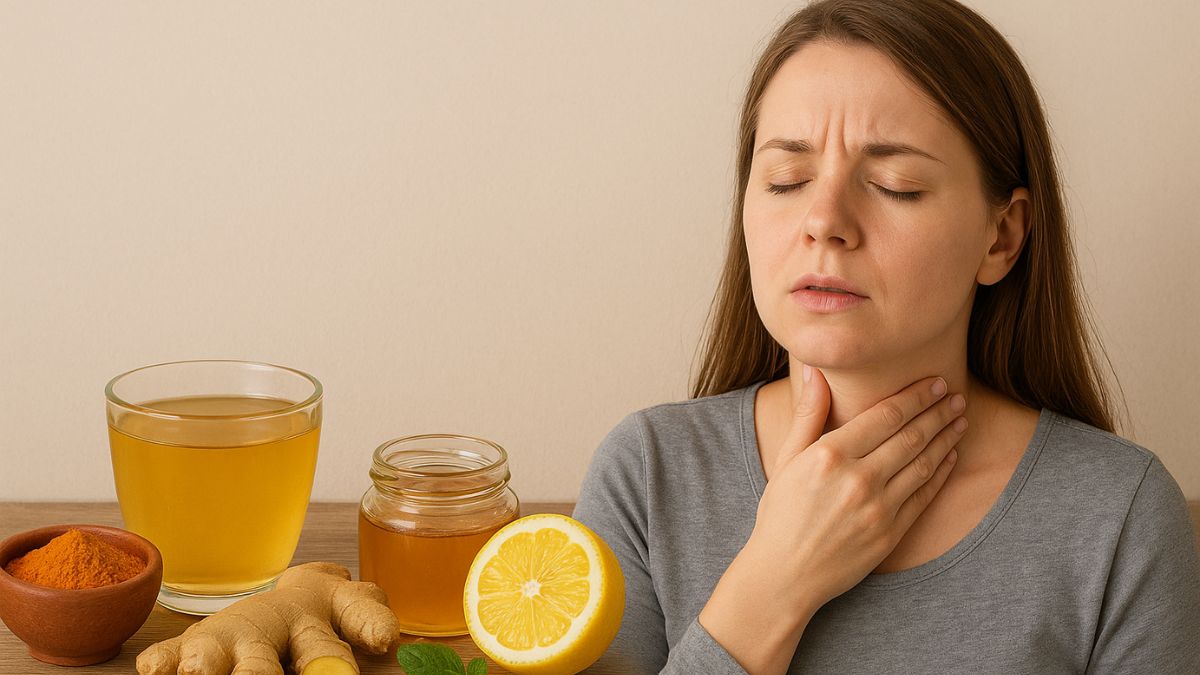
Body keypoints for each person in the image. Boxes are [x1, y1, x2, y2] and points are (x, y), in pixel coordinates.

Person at [572, 0, 1200, 672]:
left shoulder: (1120, 516)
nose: (824, 220)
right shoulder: (645, 474)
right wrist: (773, 582)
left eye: (894, 185)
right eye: (787, 180)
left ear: (1003, 235)